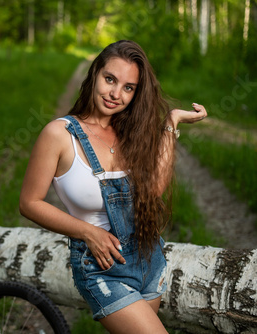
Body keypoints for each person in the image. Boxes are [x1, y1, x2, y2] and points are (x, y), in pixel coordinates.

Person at [19, 40, 207, 333]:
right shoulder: (59, 134)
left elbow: (155, 188)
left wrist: (172, 122)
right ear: (95, 73)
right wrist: (87, 231)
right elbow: (29, 203)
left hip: (148, 259)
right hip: (101, 269)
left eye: (128, 87)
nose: (116, 94)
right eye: (110, 79)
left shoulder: (131, 133)